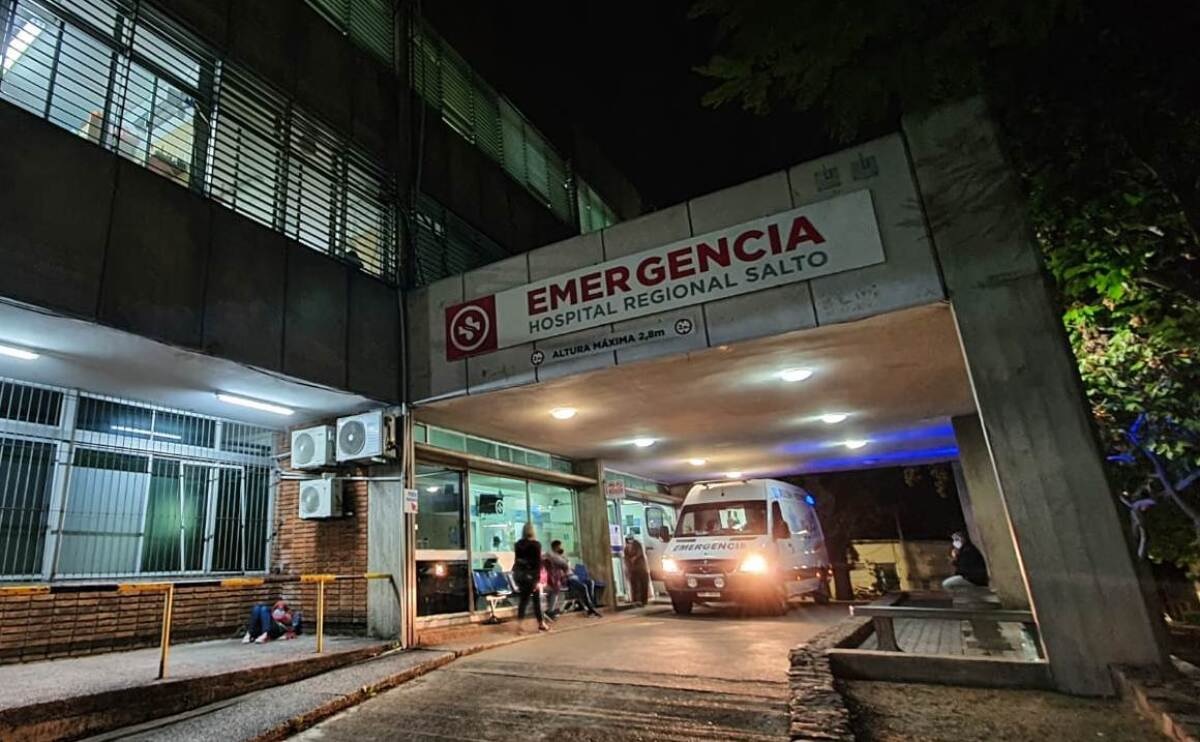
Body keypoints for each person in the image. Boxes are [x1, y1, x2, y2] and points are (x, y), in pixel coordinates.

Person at [545, 540, 602, 618]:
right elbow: (565, 565)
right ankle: (590, 609)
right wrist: (564, 560)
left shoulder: (560, 556)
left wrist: (564, 558)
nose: (561, 548)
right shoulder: (553, 556)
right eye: (559, 547)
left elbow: (567, 565)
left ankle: (591, 605)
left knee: (590, 582)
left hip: (573, 576)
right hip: (567, 578)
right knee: (583, 587)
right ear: (555, 547)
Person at [514, 522, 549, 631]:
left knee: (523, 600)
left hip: (521, 576)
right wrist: (537, 580)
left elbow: (517, 561)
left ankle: (520, 624)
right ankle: (541, 623)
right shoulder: (536, 545)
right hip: (532, 577)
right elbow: (537, 564)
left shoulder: (518, 544)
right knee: (536, 600)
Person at [623, 534, 650, 606]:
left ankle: (643, 600)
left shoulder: (638, 545)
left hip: (641, 568)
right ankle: (636, 600)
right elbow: (626, 558)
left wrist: (634, 558)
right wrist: (628, 566)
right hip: (632, 569)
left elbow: (639, 553)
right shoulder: (626, 548)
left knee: (643, 584)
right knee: (634, 585)